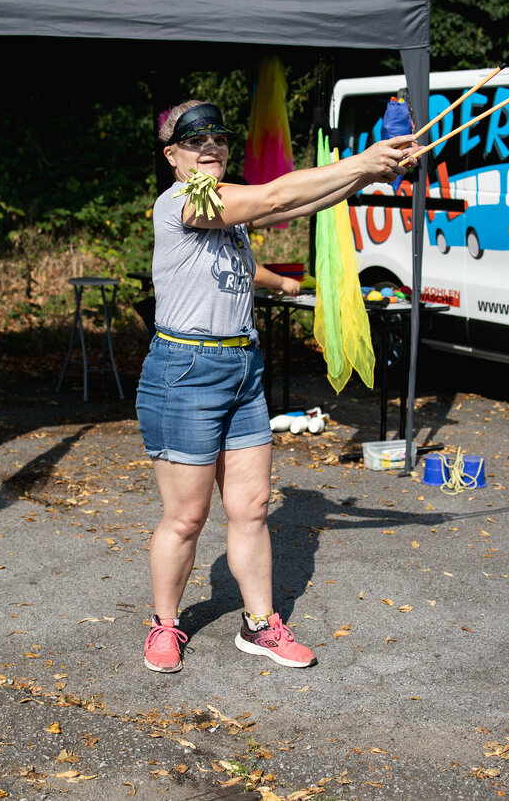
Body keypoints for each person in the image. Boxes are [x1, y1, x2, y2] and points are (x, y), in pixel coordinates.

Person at [136, 100, 417, 672]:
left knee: (253, 508)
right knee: (186, 517)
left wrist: (367, 174)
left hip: (242, 368)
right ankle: (165, 625)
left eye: (219, 135)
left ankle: (260, 625)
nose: (209, 144)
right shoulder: (183, 201)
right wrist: (361, 158)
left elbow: (305, 201)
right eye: (194, 139)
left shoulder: (226, 208)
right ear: (172, 156)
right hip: (184, 370)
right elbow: (274, 196)